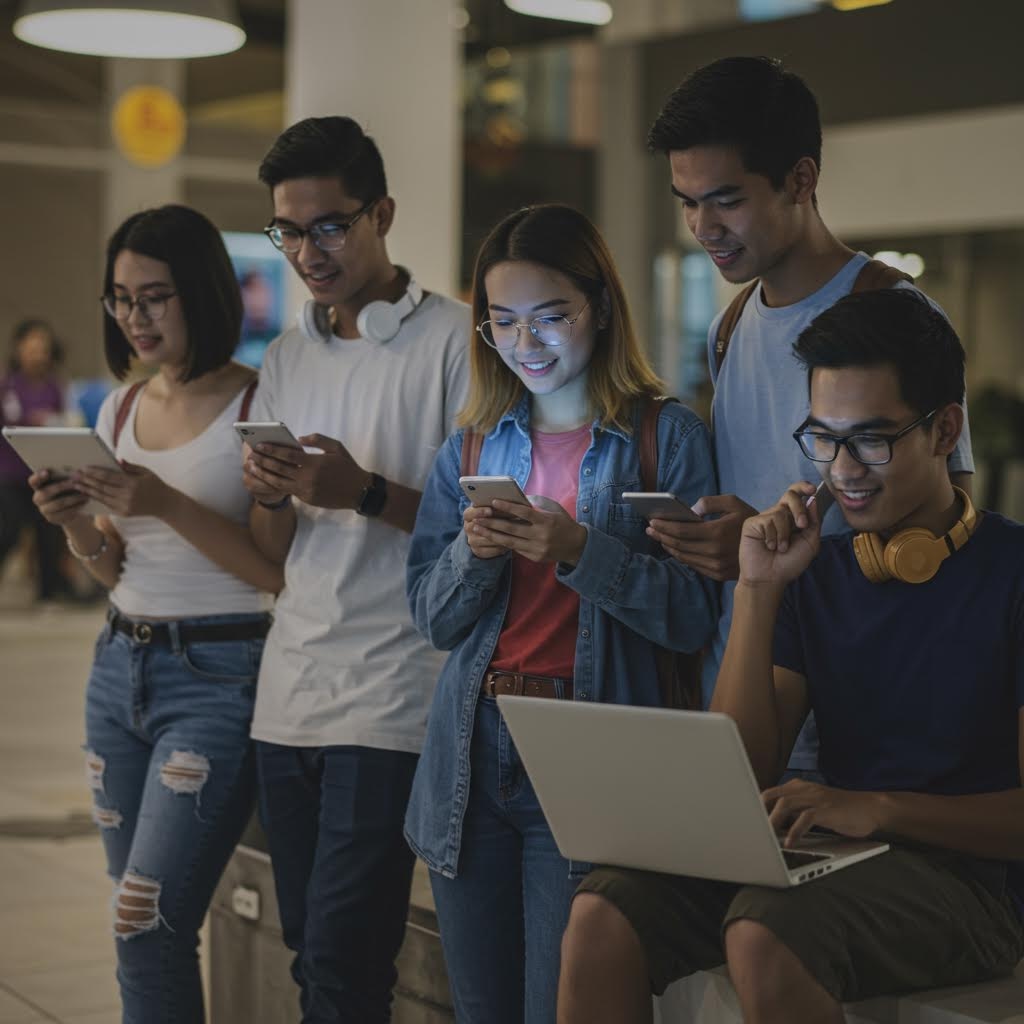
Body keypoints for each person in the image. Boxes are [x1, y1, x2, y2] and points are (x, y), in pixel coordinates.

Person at [557, 289, 1024, 1024]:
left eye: (870, 439)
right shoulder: (821, 571)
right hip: (837, 855)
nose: (842, 469)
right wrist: (758, 589)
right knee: (601, 909)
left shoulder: (1012, 572)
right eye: (823, 438)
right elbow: (741, 770)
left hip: (976, 888)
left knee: (763, 928)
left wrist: (874, 809)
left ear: (944, 431)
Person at [404, 203, 719, 1023]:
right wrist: (477, 553)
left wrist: (579, 548)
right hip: (473, 749)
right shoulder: (469, 446)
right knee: (481, 1010)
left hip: (594, 751)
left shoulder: (664, 435)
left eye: (550, 317)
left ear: (601, 307)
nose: (525, 343)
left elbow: (694, 616)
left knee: (565, 1007)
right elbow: (432, 621)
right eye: (502, 323)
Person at [641, 56, 974, 776]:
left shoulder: (896, 312)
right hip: (742, 700)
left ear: (801, 179)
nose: (703, 226)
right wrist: (719, 536)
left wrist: (770, 554)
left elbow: (953, 527)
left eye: (725, 199)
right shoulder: (728, 326)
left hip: (861, 720)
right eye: (687, 202)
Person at [28, 204, 283, 1024]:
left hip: (219, 676)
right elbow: (112, 565)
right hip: (118, 671)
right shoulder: (120, 410)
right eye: (120, 299)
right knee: (130, 918)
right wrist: (69, 517)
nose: (135, 318)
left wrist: (162, 499)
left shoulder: (258, 405)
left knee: (149, 921)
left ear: (203, 293)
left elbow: (271, 569)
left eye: (154, 297)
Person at [240, 115, 470, 1022]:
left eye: (328, 225)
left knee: (343, 963)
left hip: (394, 695)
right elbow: (273, 553)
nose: (307, 250)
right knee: (314, 959)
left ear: (381, 213)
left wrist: (364, 490)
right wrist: (268, 491)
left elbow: (482, 528)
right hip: (288, 693)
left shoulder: (455, 341)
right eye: (288, 231)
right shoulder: (286, 357)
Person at [0, 319, 70, 600]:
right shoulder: (7, 385)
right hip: (9, 472)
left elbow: (63, 422)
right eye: (31, 348)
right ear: (18, 350)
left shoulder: (55, 387)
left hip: (42, 471)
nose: (37, 354)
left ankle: (49, 593)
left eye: (42, 348)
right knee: (10, 529)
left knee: (49, 529)